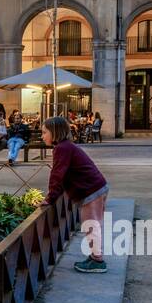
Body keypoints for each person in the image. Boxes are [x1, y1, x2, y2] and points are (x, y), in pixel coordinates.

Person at [42, 116, 109, 274]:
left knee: (91, 224)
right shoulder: (65, 146)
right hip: (95, 187)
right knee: (92, 223)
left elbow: (57, 175)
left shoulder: (62, 148)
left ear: (55, 132)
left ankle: (98, 261)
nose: (42, 136)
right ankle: (94, 256)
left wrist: (50, 198)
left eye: (44, 132)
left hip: (91, 189)